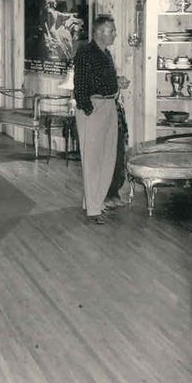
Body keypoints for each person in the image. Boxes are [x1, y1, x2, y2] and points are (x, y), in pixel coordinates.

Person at [72, 14, 130, 225]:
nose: (115, 34)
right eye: (111, 30)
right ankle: (94, 209)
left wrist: (117, 81)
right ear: (99, 32)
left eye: (114, 30)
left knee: (107, 158)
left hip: (108, 106)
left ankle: (94, 202)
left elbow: (99, 80)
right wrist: (89, 110)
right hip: (94, 109)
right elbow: (80, 85)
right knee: (93, 160)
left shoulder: (106, 54)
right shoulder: (85, 53)